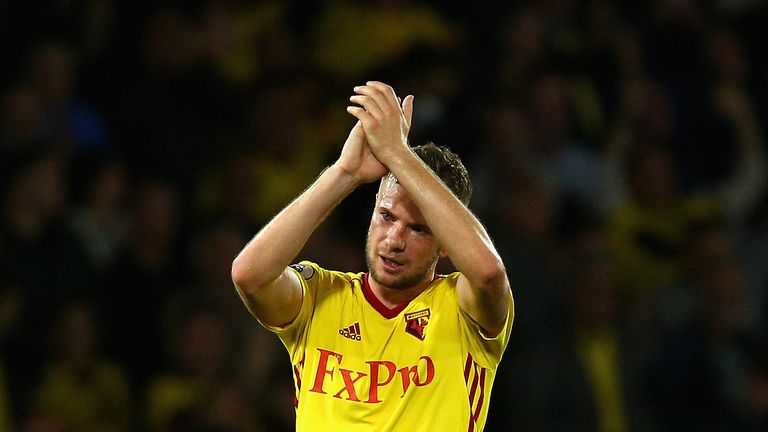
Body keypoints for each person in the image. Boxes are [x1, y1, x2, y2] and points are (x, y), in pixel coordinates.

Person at [232, 81, 514, 431]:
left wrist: (398, 153)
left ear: (446, 244)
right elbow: (249, 275)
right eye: (386, 216)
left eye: (419, 229)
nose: (394, 240)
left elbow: (489, 272)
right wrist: (344, 173)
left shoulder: (462, 306)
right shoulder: (320, 295)